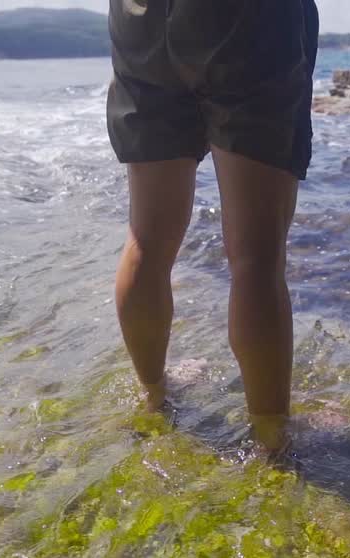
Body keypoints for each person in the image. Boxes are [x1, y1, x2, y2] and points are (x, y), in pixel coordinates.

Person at [106, 0, 319, 454]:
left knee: (147, 238)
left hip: (141, 16)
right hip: (245, 17)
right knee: (256, 259)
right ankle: (271, 438)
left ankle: (154, 396)